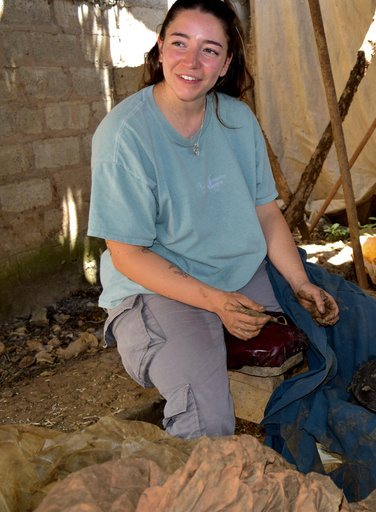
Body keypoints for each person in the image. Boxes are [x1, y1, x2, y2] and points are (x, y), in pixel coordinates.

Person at [87, 0, 342, 440]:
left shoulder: (238, 119)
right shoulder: (124, 134)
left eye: (209, 50)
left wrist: (299, 284)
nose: (191, 61)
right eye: (180, 43)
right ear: (160, 50)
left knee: (351, 320)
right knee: (207, 423)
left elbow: (266, 213)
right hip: (158, 285)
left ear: (225, 64)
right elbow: (128, 254)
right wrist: (216, 302)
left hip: (238, 269)